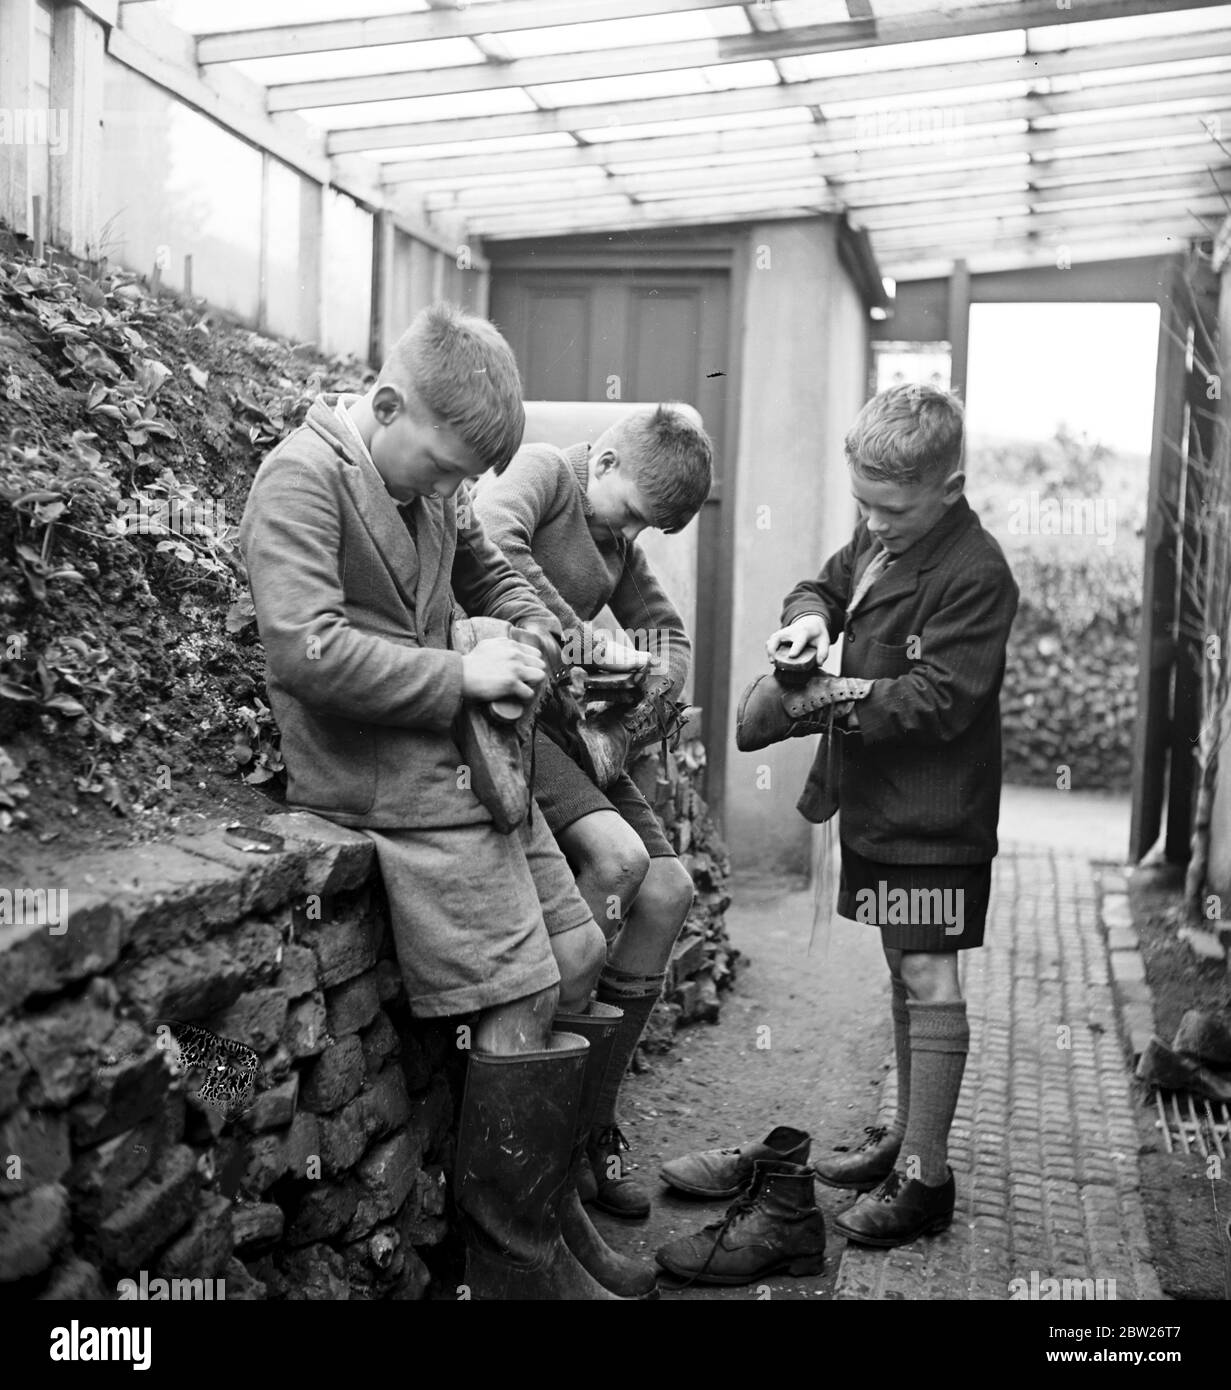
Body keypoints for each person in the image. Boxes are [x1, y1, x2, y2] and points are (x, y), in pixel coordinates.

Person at [238, 303, 655, 1300]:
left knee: (584, 948)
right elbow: (304, 650)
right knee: (517, 999)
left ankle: (550, 1216)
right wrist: (458, 673)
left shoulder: (426, 474)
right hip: (381, 778)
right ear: (384, 406)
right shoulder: (303, 478)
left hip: (463, 767)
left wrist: (522, 627)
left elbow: (492, 569)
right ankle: (515, 1272)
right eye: (449, 468)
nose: (458, 491)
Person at [656, 383, 1018, 1282]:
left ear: (949, 486)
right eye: (861, 501)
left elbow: (944, 699)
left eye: (889, 507)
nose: (871, 521)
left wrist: (824, 698)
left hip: (937, 817)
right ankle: (903, 1136)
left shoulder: (975, 572)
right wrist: (808, 623)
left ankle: (927, 1179)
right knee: (902, 963)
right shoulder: (884, 539)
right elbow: (821, 581)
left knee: (929, 971)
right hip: (881, 808)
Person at [471, 403, 712, 1218]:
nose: (632, 537)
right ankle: (552, 1138)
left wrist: (650, 689)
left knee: (669, 892)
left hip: (582, 733)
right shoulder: (542, 470)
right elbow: (489, 540)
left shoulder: (617, 536)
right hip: (520, 716)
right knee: (619, 862)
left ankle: (593, 1125)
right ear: (604, 462)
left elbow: (666, 632)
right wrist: (583, 642)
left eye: (649, 529)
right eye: (635, 514)